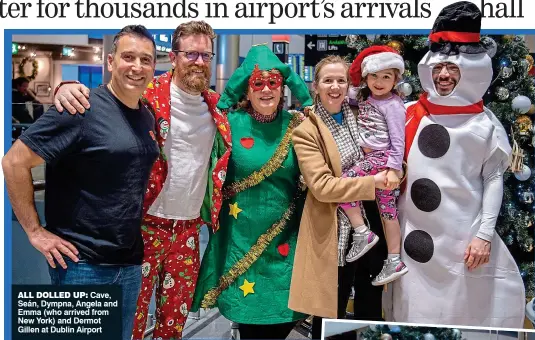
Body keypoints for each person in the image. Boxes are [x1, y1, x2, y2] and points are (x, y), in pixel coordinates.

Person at [53, 21, 225, 340]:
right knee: (129, 322)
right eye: (191, 54)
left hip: (188, 232)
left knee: (173, 324)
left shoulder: (217, 108)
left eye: (206, 54)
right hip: (143, 228)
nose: (199, 61)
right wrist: (64, 87)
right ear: (173, 57)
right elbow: (105, 98)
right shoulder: (146, 94)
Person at [3, 25, 159, 340]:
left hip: (128, 261)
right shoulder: (80, 109)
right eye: (129, 57)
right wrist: (35, 232)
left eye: (146, 59)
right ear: (111, 62)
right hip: (81, 264)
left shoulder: (146, 114)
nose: (137, 67)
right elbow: (14, 162)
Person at [392, 1, 525, 327]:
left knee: (458, 314)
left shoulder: (484, 124)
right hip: (413, 244)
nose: (444, 76)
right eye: (438, 68)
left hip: (461, 242)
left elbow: (494, 179)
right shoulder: (409, 113)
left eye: (453, 68)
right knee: (412, 312)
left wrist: (484, 235)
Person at [190, 44, 313, 340]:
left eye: (274, 82)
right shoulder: (228, 125)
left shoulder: (299, 125)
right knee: (251, 326)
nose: (267, 90)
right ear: (247, 89)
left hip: (286, 242)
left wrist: (306, 98)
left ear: (283, 87)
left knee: (283, 319)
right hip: (242, 242)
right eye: (258, 83)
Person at [288, 55, 389, 339]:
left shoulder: (362, 116)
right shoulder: (306, 130)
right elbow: (322, 186)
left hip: (372, 221)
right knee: (331, 312)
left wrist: (396, 170)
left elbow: (385, 151)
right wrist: (372, 181)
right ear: (316, 86)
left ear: (349, 84)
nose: (335, 86)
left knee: (371, 305)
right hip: (334, 229)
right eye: (328, 80)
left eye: (341, 80)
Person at [339, 45, 408, 286]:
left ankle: (361, 231)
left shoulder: (394, 106)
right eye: (374, 76)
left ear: (395, 80)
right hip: (371, 160)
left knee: (342, 186)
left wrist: (394, 168)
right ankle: (394, 259)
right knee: (388, 213)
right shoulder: (364, 98)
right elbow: (340, 92)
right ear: (366, 78)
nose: (379, 82)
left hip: (381, 159)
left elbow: (399, 140)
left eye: (386, 77)